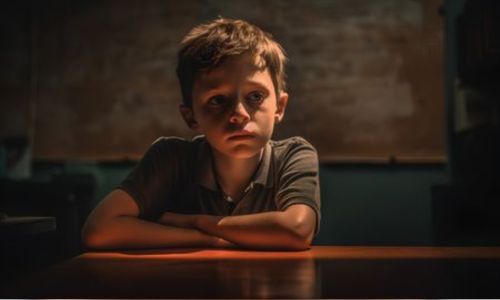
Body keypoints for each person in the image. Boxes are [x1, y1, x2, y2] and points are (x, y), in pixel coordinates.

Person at [81, 18, 320, 250]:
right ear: (190, 116)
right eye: (218, 100)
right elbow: (99, 230)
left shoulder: (294, 155)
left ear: (279, 107)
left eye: (255, 96)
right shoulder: (171, 158)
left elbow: (297, 230)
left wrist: (196, 222)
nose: (239, 113)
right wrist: (206, 239)